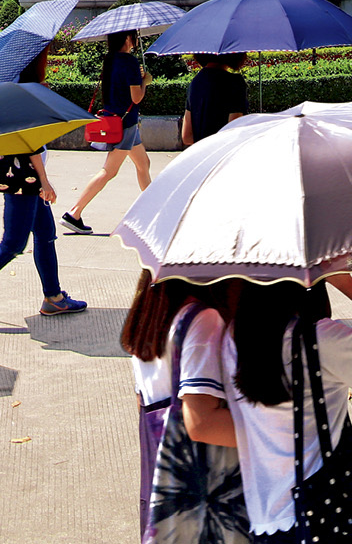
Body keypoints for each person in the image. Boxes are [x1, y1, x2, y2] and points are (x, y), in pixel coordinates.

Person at [188, 273, 352, 542]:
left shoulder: (231, 340)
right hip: (332, 510)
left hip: (268, 520)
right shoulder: (322, 340)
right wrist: (345, 282)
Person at [120, 270, 233, 540]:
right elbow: (202, 423)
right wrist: (278, 430)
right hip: (201, 486)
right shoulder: (203, 321)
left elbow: (142, 400)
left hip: (161, 477)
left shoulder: (150, 316)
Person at [0, 50, 87, 316]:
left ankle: (53, 297)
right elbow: (32, 147)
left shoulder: (13, 91)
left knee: (46, 235)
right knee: (14, 244)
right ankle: (53, 296)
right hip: (24, 182)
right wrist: (45, 183)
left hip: (21, 181)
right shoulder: (23, 95)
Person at [63, 30, 151, 234]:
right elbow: (136, 97)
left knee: (143, 164)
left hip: (117, 121)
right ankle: (74, 213)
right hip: (125, 124)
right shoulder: (129, 61)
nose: (136, 40)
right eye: (134, 36)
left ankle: (151, 210)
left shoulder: (110, 60)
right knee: (109, 171)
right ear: (127, 38)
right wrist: (144, 82)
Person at [181, 54, 249, 146]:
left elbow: (187, 137)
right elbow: (234, 131)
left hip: (202, 150)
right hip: (224, 151)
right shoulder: (234, 82)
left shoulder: (195, 83)